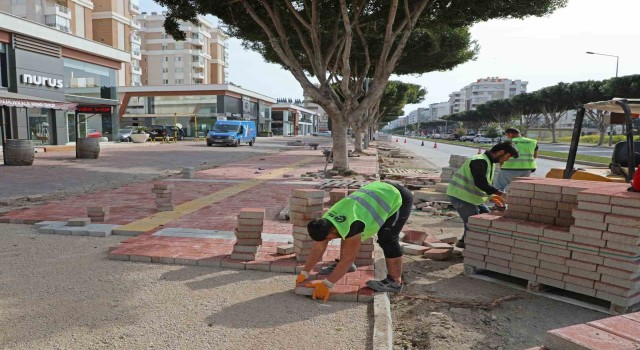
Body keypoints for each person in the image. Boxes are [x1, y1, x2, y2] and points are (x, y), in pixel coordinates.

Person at [296, 181, 413, 302]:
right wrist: (305, 271)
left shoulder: (353, 225)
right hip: (379, 191)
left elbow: (349, 257)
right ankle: (348, 268)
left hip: (398, 197)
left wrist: (327, 284)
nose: (329, 240)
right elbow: (318, 248)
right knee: (343, 233)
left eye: (328, 238)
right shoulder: (325, 222)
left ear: (330, 232)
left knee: (387, 238)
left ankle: (395, 281)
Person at [447, 141, 519, 249]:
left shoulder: (489, 162)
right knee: (474, 223)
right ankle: (470, 250)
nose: (506, 160)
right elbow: (481, 183)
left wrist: (491, 196)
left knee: (485, 216)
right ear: (501, 152)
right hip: (461, 196)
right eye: (507, 157)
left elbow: (484, 184)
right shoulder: (479, 161)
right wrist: (501, 194)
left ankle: (463, 242)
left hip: (472, 197)